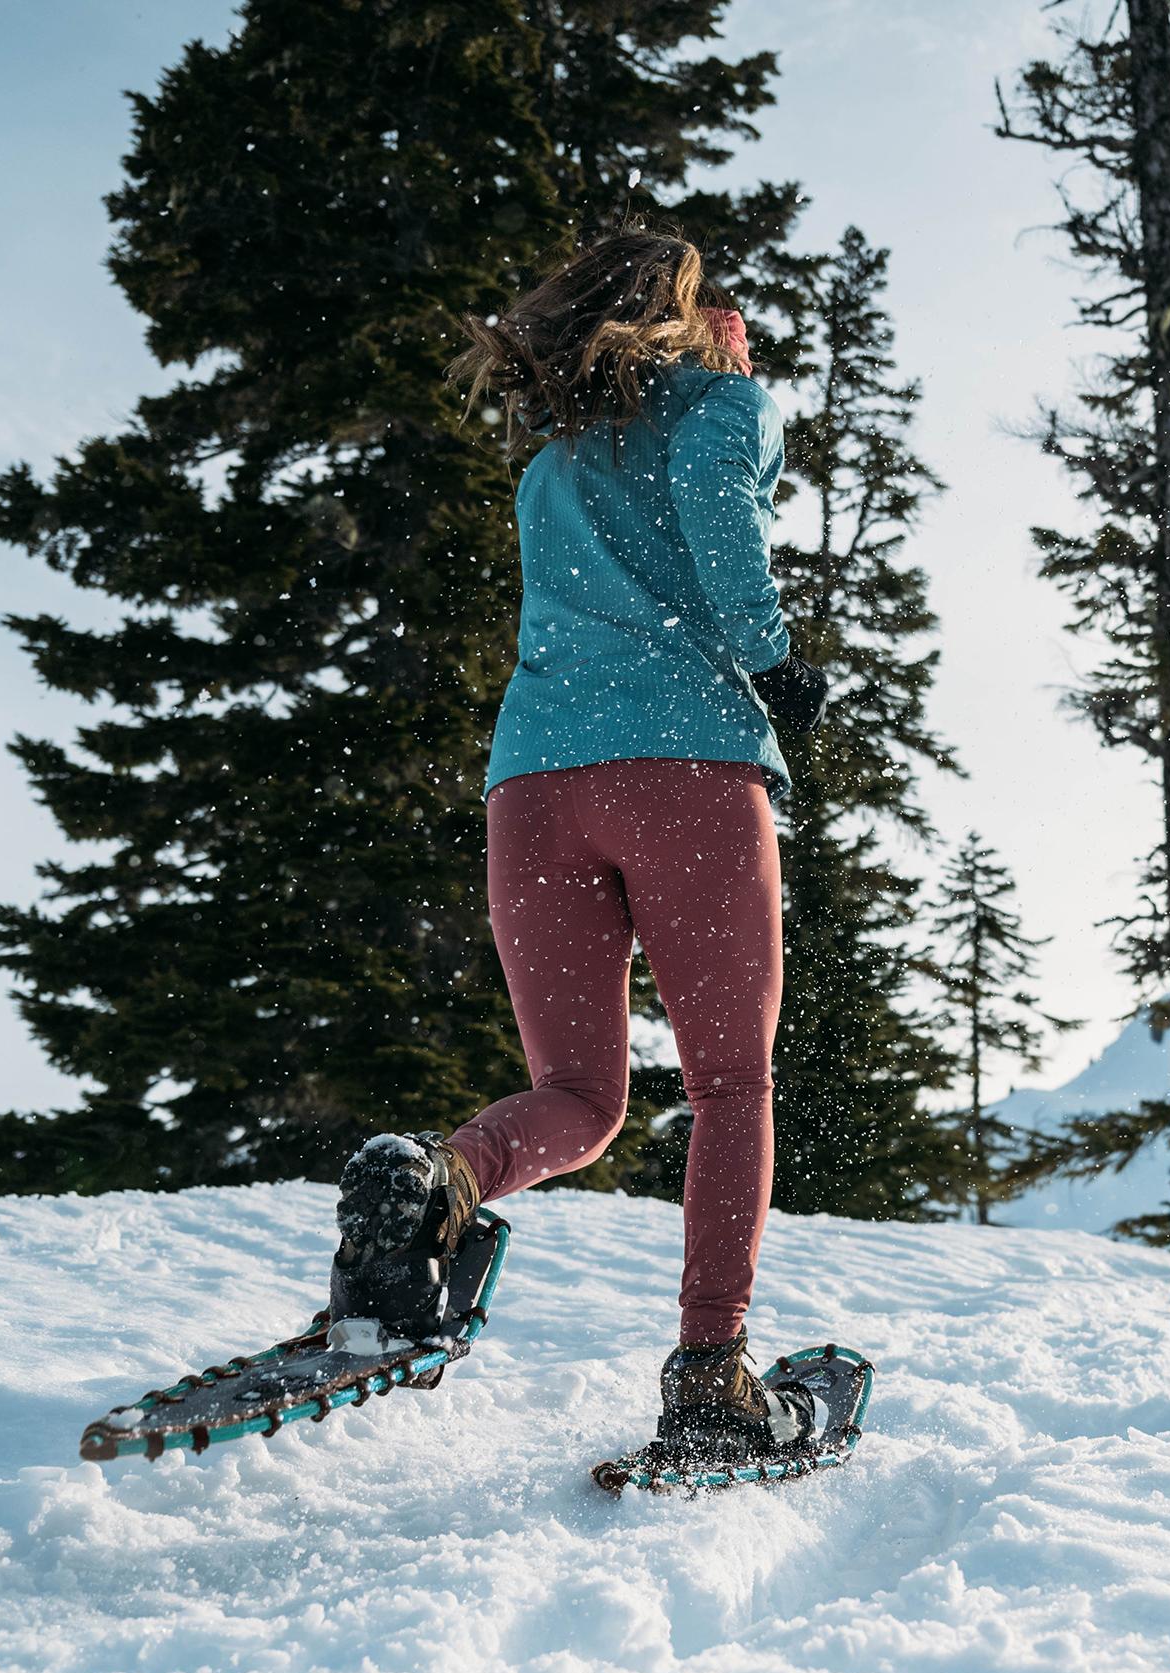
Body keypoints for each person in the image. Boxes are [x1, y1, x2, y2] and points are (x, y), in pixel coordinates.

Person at [326, 229, 831, 1460]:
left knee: (578, 1098)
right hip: (684, 774)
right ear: (690, 314)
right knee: (727, 1086)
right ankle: (712, 1368)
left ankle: (441, 1183)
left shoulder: (551, 466)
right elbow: (720, 520)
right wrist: (777, 667)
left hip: (534, 787)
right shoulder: (721, 407)